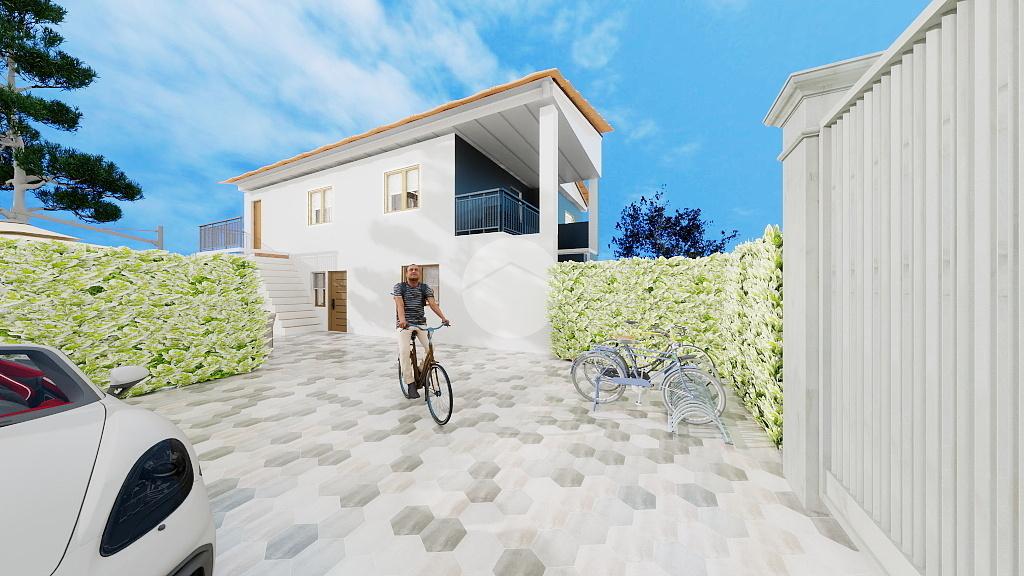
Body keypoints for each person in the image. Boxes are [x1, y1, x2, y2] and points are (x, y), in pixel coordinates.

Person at [393, 264, 450, 398]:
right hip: (404, 325)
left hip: (420, 324)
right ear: (406, 273)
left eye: (416, 270)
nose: (413, 271)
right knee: (404, 351)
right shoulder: (399, 287)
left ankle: (420, 370)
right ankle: (410, 383)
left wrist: (443, 318)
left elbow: (433, 304)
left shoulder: (425, 288)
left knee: (431, 348)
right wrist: (402, 320)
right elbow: (400, 304)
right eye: (411, 270)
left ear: (419, 273)